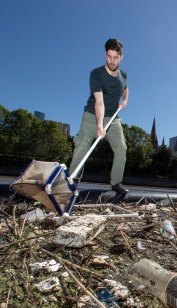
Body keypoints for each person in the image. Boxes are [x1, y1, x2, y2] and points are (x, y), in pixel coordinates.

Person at [70, 38, 129, 194]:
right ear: (105, 55)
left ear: (121, 57)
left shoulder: (123, 75)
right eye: (109, 56)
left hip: (113, 118)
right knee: (81, 147)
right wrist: (99, 125)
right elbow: (99, 102)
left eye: (115, 57)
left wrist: (125, 101)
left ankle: (116, 183)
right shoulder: (96, 74)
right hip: (92, 116)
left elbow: (125, 89)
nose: (112, 61)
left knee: (121, 149)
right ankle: (71, 183)